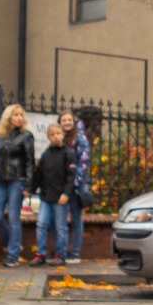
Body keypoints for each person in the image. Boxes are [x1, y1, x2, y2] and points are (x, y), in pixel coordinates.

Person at [0, 105, 36, 267]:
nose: (19, 118)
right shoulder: (0, 136)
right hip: (0, 180)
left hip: (17, 180)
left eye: (21, 115)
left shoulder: (26, 137)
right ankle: (14, 243)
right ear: (8, 117)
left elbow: (30, 162)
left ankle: (13, 255)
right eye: (16, 115)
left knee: (14, 217)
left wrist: (29, 186)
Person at [33, 122, 74, 267]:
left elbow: (71, 176)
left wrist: (66, 194)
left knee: (60, 227)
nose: (55, 137)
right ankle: (41, 254)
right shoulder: (46, 154)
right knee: (41, 224)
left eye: (58, 134)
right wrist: (29, 189)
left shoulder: (68, 153)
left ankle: (60, 254)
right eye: (52, 134)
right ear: (48, 137)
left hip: (60, 198)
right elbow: (39, 174)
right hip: (45, 196)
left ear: (62, 135)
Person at [56, 109, 93, 264]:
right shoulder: (59, 138)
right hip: (62, 186)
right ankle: (61, 252)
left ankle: (75, 253)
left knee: (76, 219)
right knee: (60, 220)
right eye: (63, 120)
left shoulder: (80, 139)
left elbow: (83, 163)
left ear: (74, 122)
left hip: (76, 186)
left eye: (69, 120)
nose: (66, 123)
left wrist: (73, 183)